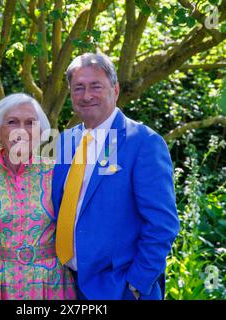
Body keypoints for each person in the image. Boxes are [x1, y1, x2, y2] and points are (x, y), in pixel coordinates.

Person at [52, 52, 180, 300]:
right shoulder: (66, 141)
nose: (86, 95)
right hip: (68, 286)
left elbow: (162, 225)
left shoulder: (143, 142)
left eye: (95, 86)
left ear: (116, 89)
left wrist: (136, 285)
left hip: (119, 288)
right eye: (78, 88)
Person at [0, 93, 76, 300]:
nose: (22, 130)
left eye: (30, 123)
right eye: (12, 122)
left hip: (52, 285)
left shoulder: (58, 176)